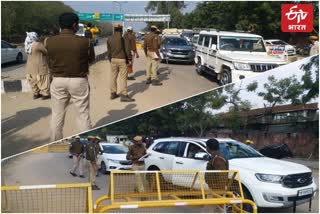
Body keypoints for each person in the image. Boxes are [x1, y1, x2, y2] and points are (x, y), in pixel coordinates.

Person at [45, 12, 95, 141]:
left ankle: (55, 143)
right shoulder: (86, 42)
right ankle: (86, 142)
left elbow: (48, 61)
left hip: (57, 80)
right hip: (79, 81)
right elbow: (91, 60)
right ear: (74, 25)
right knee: (83, 114)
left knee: (57, 115)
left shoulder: (49, 41)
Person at [107, 23, 134, 102]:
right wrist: (129, 59)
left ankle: (113, 93)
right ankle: (124, 95)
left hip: (113, 60)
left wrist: (110, 59)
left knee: (113, 77)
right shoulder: (123, 38)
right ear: (121, 29)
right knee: (123, 78)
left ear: (115, 29)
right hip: (122, 60)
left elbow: (109, 52)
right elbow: (127, 49)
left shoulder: (109, 38)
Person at [25, 32, 51, 100]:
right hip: (39, 66)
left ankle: (36, 94)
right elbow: (46, 51)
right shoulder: (37, 44)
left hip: (30, 67)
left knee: (33, 81)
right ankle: (45, 94)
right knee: (43, 81)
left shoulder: (27, 45)